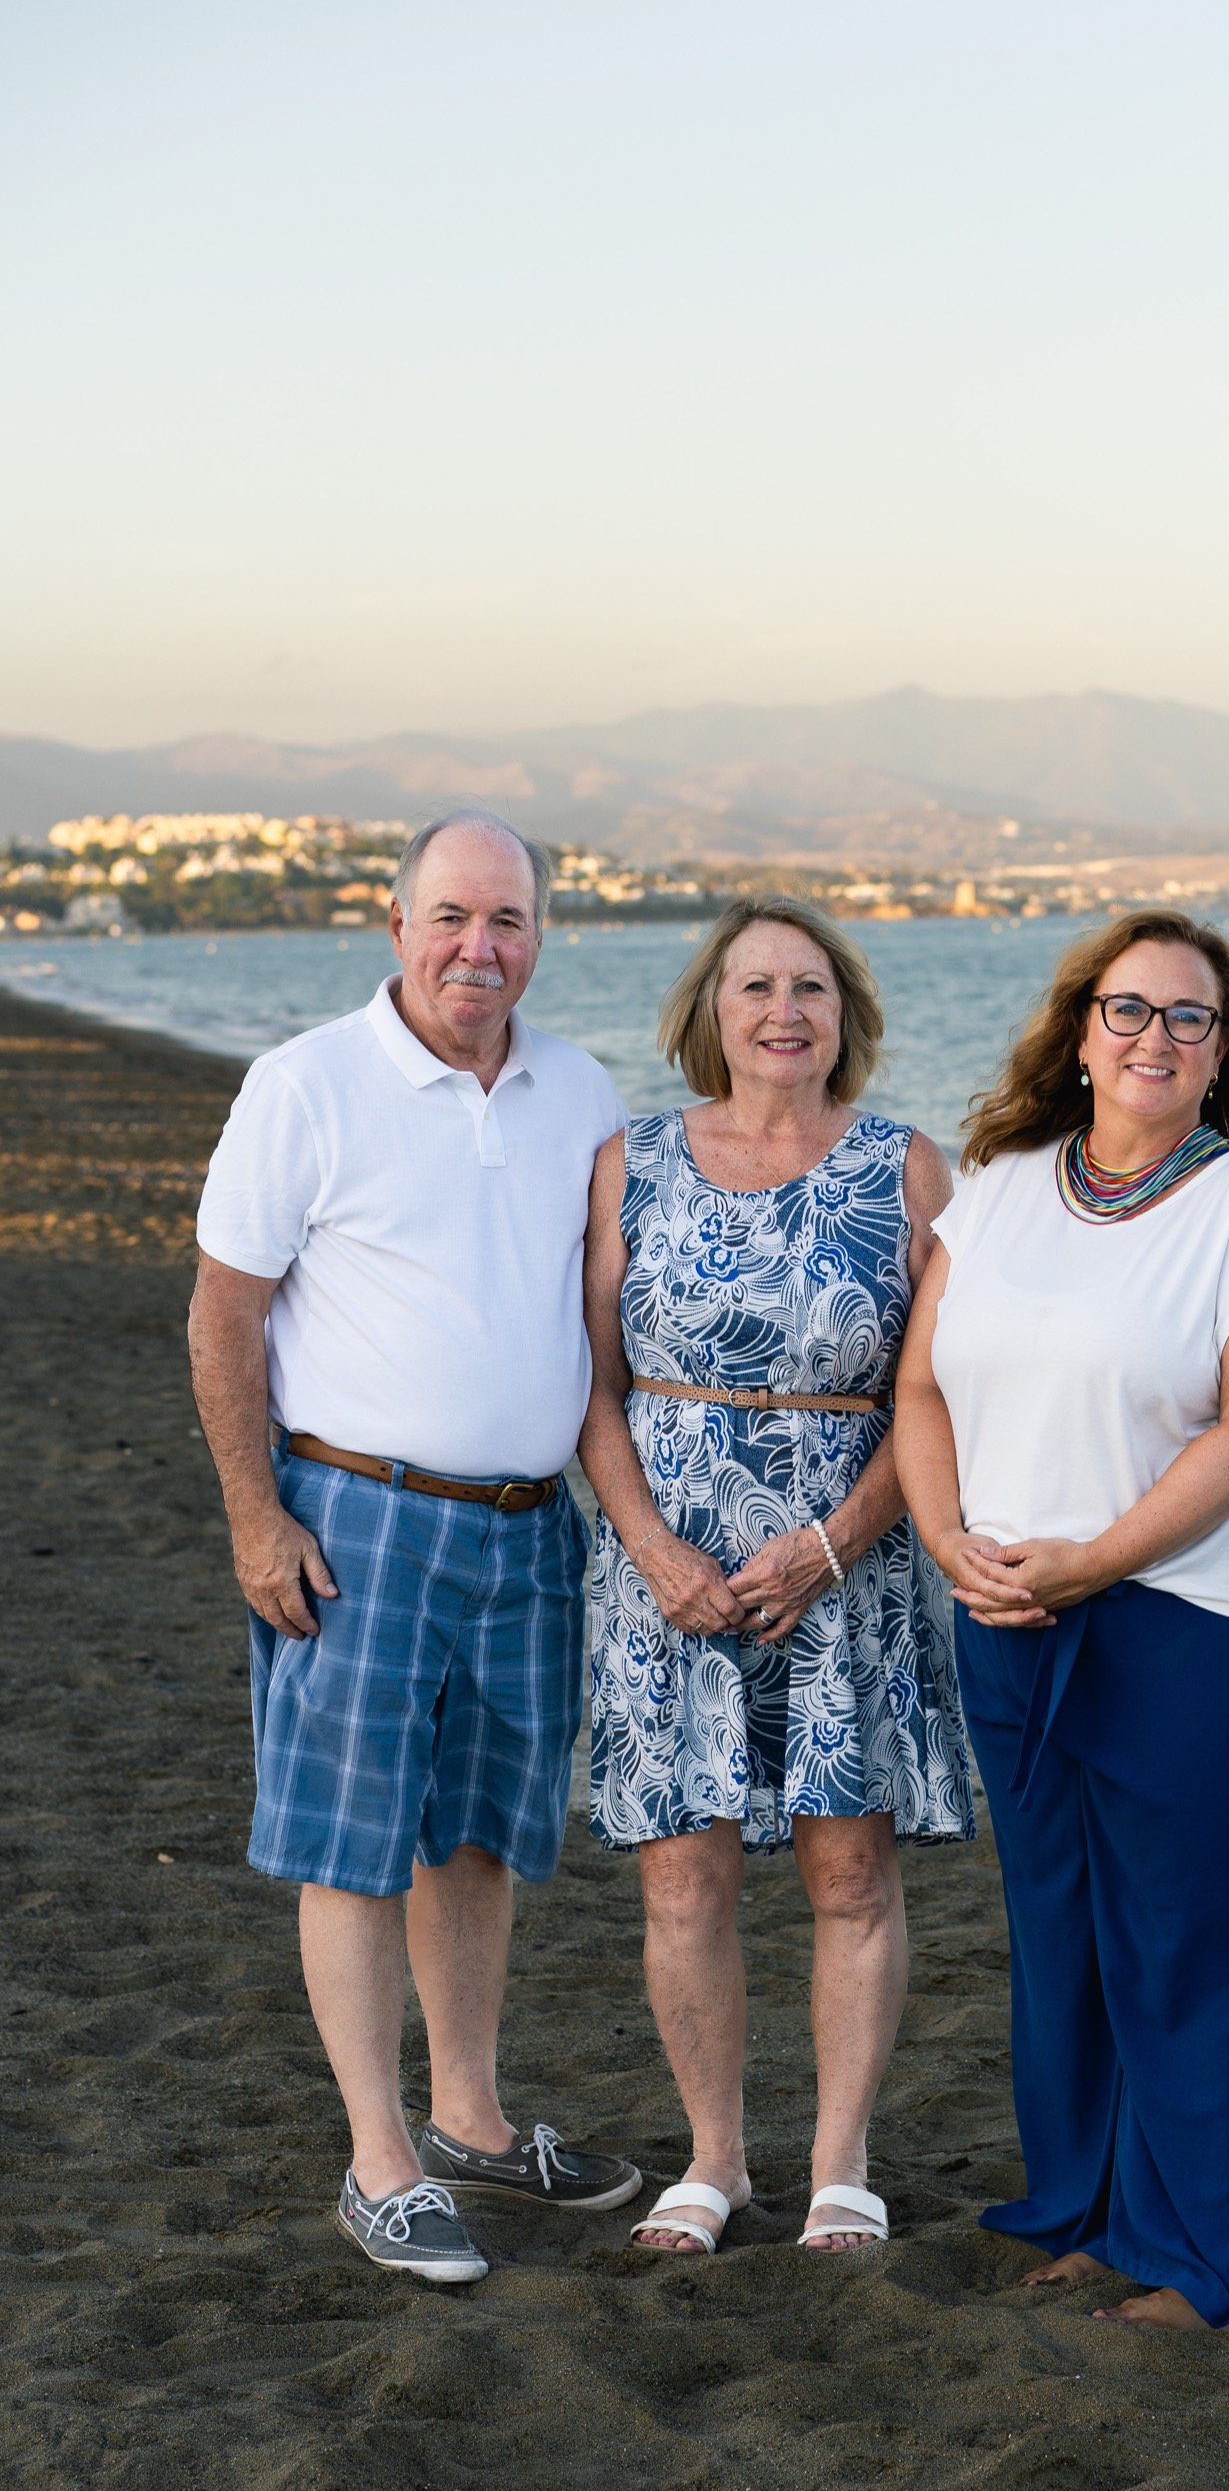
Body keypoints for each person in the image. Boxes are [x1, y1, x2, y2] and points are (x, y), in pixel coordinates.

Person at [189, 813, 640, 2284]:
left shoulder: (579, 1089)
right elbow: (223, 1315)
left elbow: (598, 1311)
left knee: (478, 1833)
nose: (478, 947)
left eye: (507, 921)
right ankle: (381, 2159)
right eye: (450, 917)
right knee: (356, 1835)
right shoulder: (306, 1084)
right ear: (396, 929)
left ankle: (473, 2120)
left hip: (527, 1527)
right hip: (358, 1517)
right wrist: (258, 1519)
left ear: (538, 938)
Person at [893, 907, 1229, 2331]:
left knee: (1192, 1940)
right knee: (1062, 1930)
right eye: (1129, 1010)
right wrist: (950, 1537)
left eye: (1188, 1019)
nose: (1155, 1037)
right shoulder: (1002, 1187)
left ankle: (1199, 2253)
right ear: (1080, 1034)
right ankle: (1089, 2210)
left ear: (1222, 1058)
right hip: (1004, 1614)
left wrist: (1092, 1564)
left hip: (1190, 1624)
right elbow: (922, 1392)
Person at [581, 895, 971, 2260]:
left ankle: (841, 2167)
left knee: (849, 1874)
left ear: (846, 1015)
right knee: (682, 1879)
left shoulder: (909, 1167)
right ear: (711, 1012)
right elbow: (593, 1383)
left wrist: (831, 1544)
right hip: (664, 1571)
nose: (784, 1013)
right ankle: (715, 2164)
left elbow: (940, 1387)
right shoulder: (627, 1162)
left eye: (810, 988)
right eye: (756, 988)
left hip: (844, 1566)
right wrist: (650, 1548)